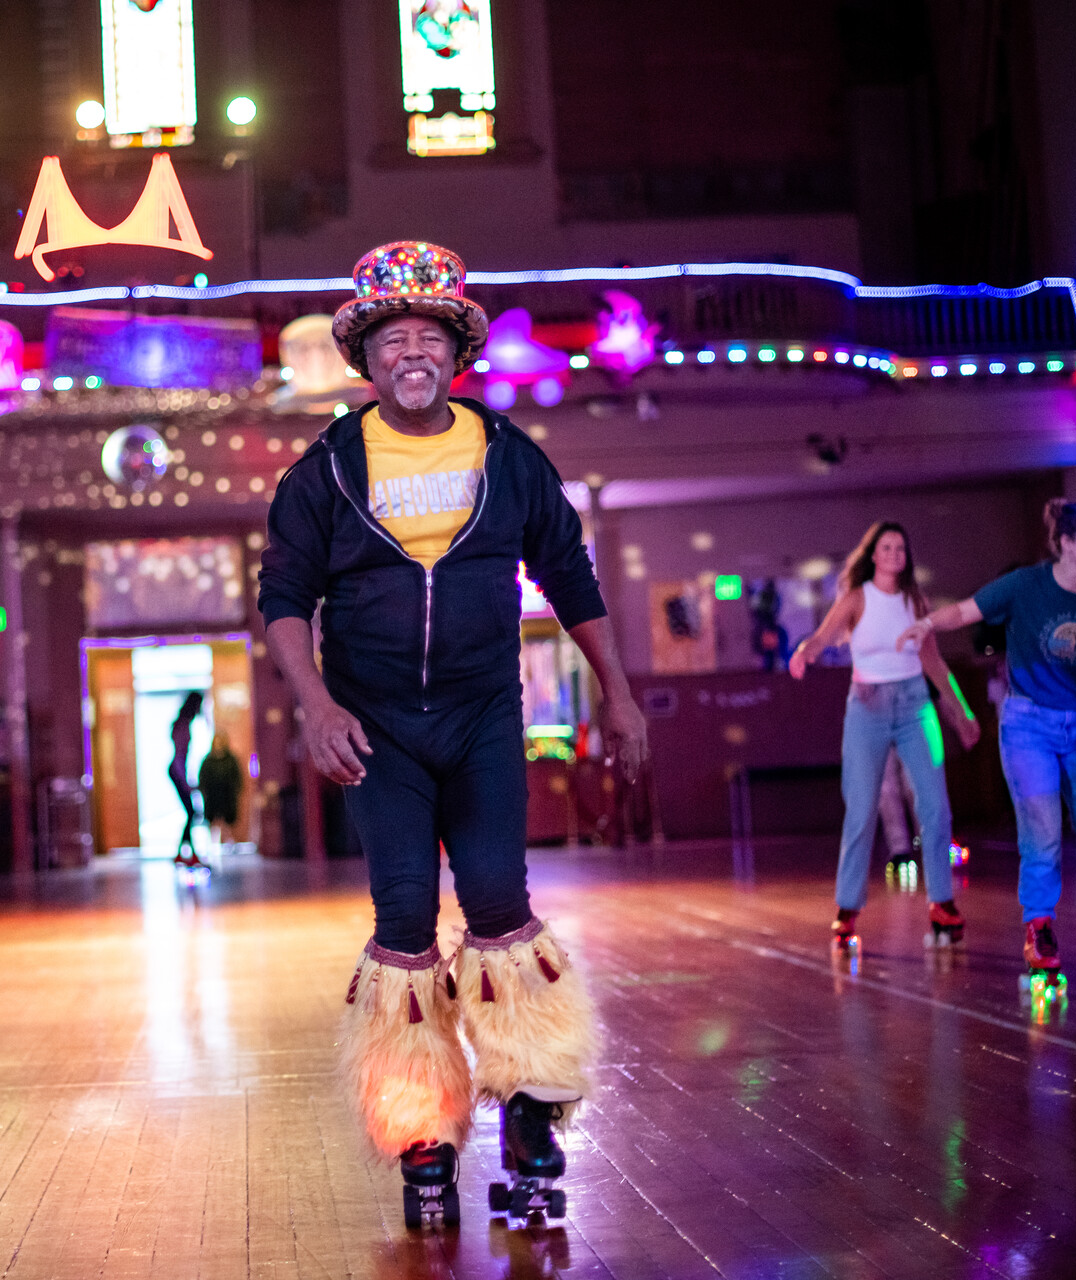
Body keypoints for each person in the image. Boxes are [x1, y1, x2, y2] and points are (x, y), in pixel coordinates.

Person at [260, 241, 648, 1225]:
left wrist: (619, 690)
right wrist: (315, 702)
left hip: (480, 713)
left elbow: (569, 573)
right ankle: (422, 1134)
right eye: (395, 337)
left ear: (456, 349)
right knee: (402, 918)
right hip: (376, 726)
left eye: (431, 333)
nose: (414, 351)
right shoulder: (328, 470)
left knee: (496, 899)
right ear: (369, 358)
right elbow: (283, 598)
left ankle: (528, 1106)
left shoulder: (508, 454)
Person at [898, 499, 1076, 984]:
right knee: (1044, 830)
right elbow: (966, 611)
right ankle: (1039, 926)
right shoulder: (1026, 585)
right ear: (1065, 544)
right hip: (1028, 725)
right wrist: (927, 623)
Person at [788, 522, 979, 947]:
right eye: (886, 547)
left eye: (900, 548)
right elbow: (822, 638)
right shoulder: (856, 597)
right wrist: (804, 653)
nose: (894, 554)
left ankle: (942, 902)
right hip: (867, 707)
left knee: (934, 805)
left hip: (915, 706)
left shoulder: (916, 600)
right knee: (861, 809)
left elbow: (935, 665)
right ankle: (847, 908)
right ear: (873, 554)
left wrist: (961, 714)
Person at [168, 691, 205, 868]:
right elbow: (179, 758)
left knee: (190, 813)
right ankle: (188, 854)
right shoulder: (183, 725)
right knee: (191, 812)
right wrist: (185, 783)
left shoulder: (184, 723)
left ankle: (184, 854)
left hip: (178, 771)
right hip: (176, 771)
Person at [196, 732, 244, 856]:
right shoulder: (208, 760)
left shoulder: (230, 759)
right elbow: (202, 777)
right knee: (213, 819)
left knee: (228, 819)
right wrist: (204, 791)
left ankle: (229, 841)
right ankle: (212, 844)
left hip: (227, 794)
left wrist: (236, 789)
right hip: (212, 794)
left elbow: (237, 776)